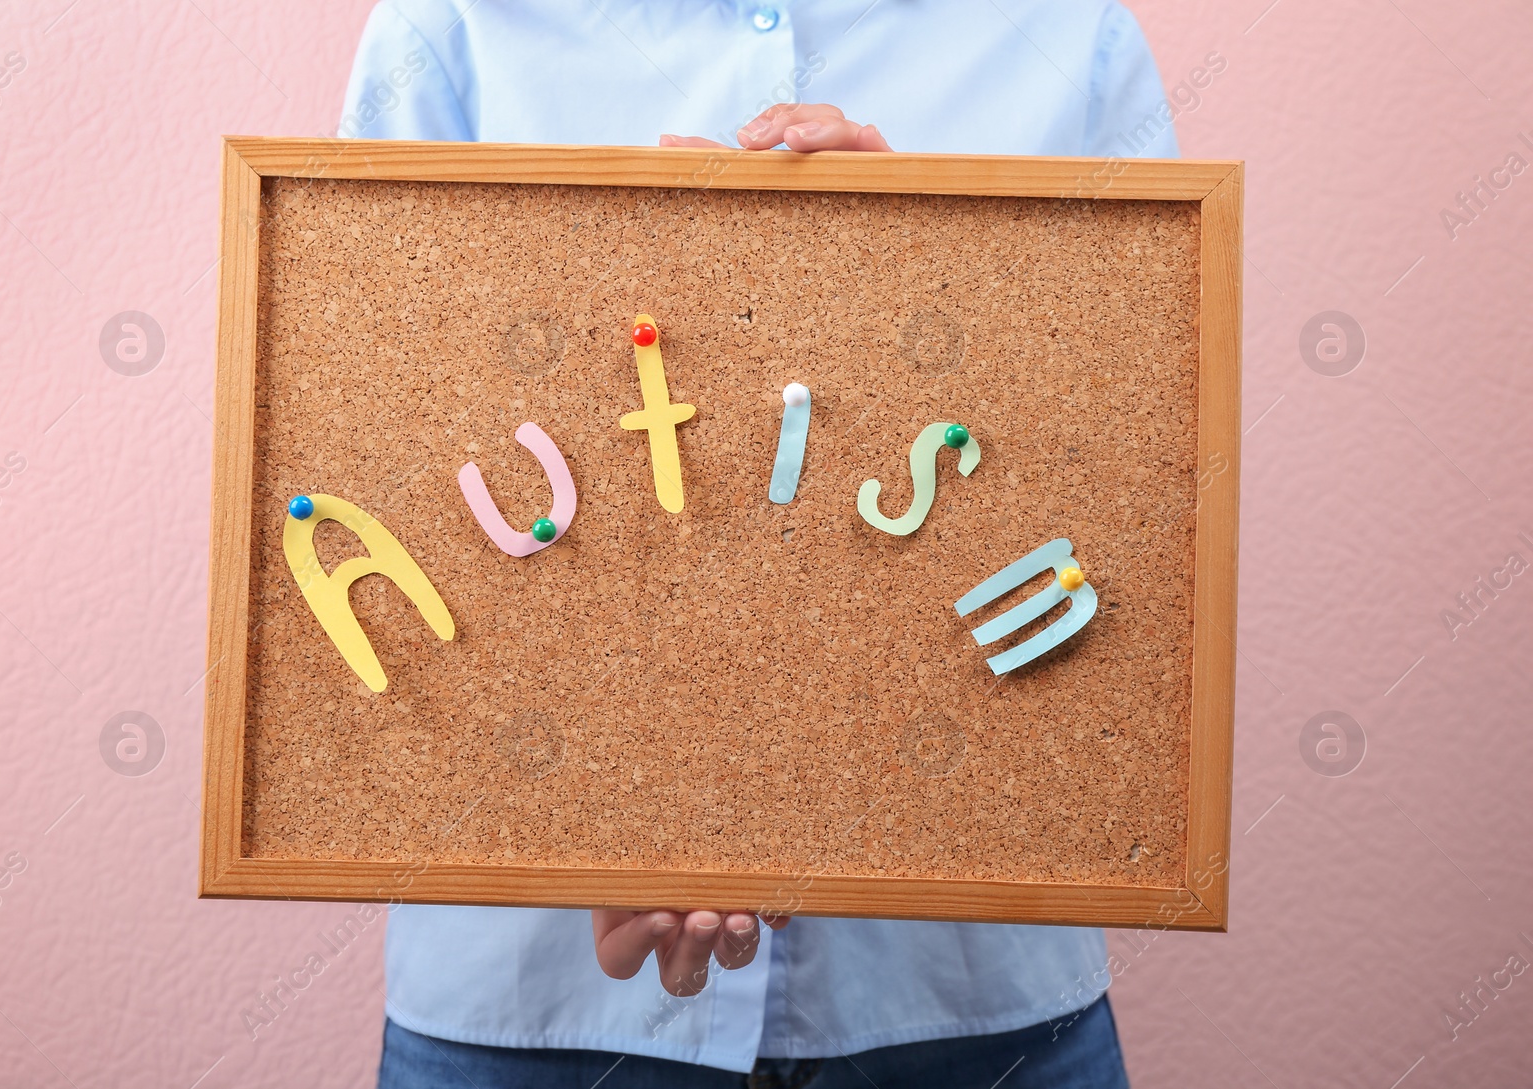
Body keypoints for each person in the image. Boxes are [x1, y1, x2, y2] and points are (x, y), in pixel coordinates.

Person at [340, 3, 1179, 1086]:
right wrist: (579, 803)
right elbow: (370, 480)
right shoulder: (451, 26)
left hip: (970, 1004)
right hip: (529, 1008)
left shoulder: (1068, 32)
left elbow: (1144, 504)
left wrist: (949, 282)